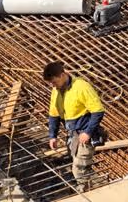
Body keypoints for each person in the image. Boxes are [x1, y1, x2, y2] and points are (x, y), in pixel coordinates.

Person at [43, 61, 106, 192]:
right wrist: (52, 136)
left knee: (78, 168)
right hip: (73, 134)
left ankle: (84, 192)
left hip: (85, 134)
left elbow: (98, 111)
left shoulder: (81, 87)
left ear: (62, 75)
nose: (52, 85)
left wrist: (88, 132)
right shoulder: (56, 90)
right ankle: (92, 187)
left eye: (54, 82)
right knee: (79, 164)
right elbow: (53, 114)